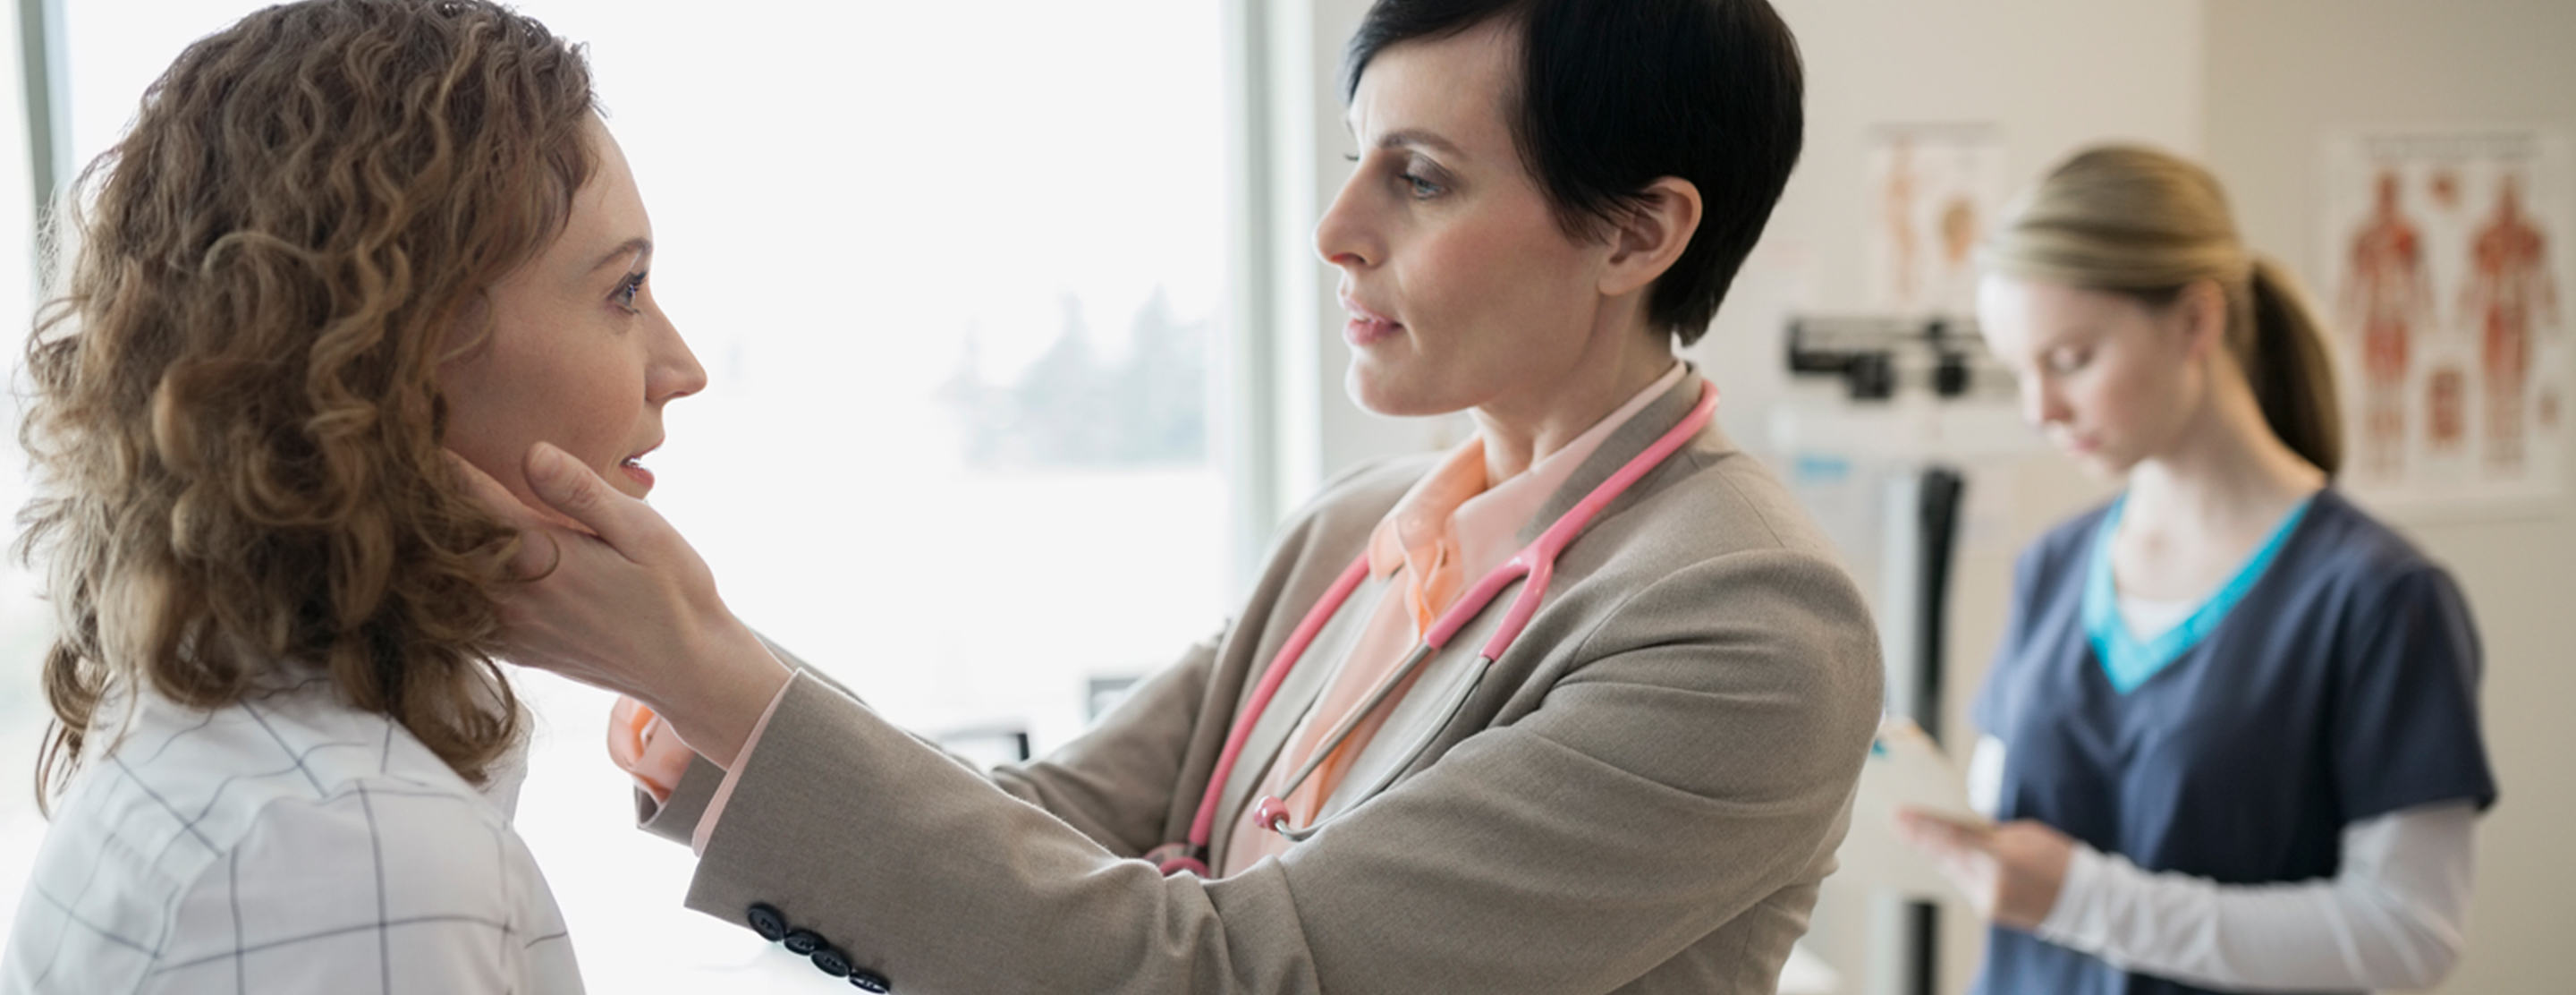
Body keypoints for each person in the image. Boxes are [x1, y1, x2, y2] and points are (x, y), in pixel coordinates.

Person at [456, 0, 1883, 991]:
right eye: (1352, 164)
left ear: (1639, 231)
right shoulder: (1354, 532)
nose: (1337, 231)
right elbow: (1048, 820)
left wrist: (695, 659)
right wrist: (704, 688)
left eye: (1423, 180)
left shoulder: (1746, 629)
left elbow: (1247, 976)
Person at [0, 2, 705, 991]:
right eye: (624, 291)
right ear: (400, 346)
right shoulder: (351, 847)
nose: (683, 366)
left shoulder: (252, 763)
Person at [1896, 146, 2496, 994]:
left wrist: (2088, 901)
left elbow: (2407, 936)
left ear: (2195, 323)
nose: (2040, 411)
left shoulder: (2377, 598)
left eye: (2069, 361)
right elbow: (2017, 848)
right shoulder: (2055, 566)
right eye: (2018, 373)